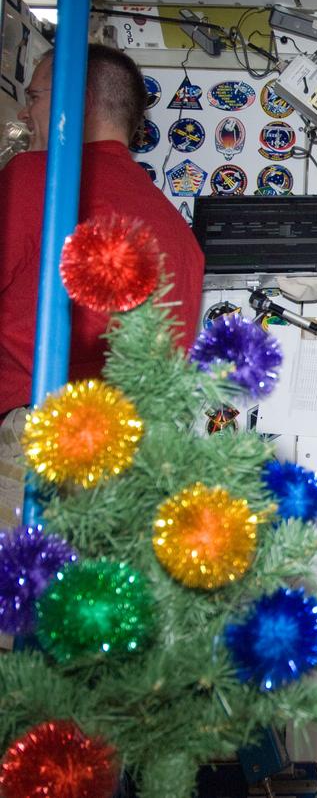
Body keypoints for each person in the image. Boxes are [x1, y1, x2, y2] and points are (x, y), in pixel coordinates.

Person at [0, 44, 206, 529]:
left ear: (78, 100)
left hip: (34, 441)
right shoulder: (181, 238)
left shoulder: (34, 182)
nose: (27, 112)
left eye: (35, 96)